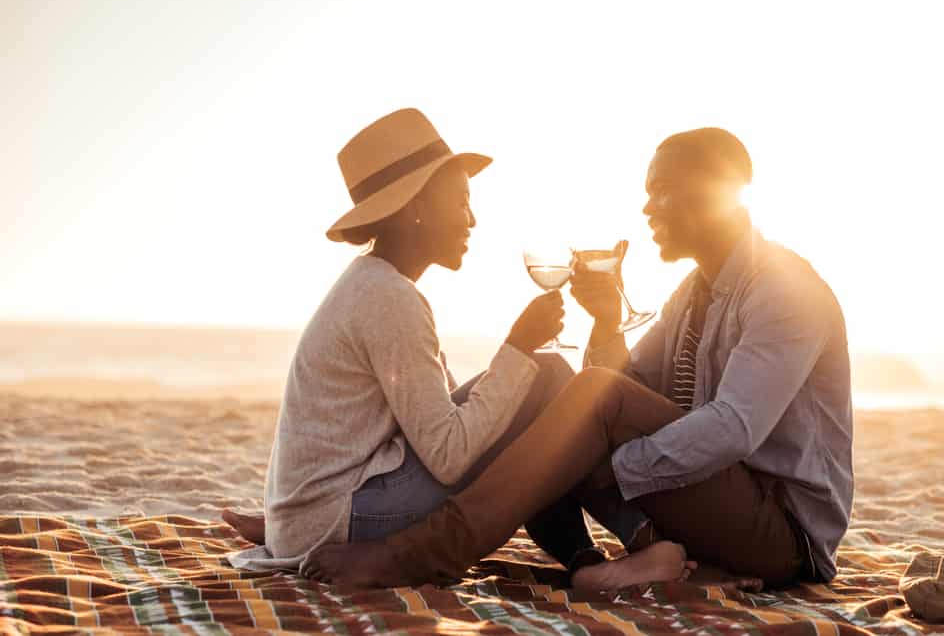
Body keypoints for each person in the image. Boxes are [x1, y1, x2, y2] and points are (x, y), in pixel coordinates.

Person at [296, 127, 854, 591]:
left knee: (580, 405)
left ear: (717, 193)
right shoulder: (694, 294)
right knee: (565, 393)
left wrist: (606, 464)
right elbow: (629, 387)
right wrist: (607, 321)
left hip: (783, 534)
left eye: (660, 190)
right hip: (714, 503)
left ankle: (414, 556)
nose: (645, 206)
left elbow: (733, 428)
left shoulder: (784, 288)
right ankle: (615, 565)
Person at [224, 108, 691, 589]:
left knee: (542, 392)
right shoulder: (388, 298)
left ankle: (592, 561)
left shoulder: (376, 285)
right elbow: (449, 454)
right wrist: (518, 349)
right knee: (549, 380)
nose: (472, 219)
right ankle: (640, 542)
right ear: (415, 208)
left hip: (323, 511)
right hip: (341, 518)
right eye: (461, 201)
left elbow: (447, 422)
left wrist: (521, 365)